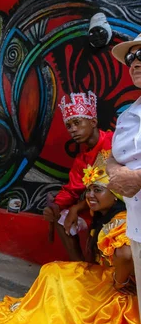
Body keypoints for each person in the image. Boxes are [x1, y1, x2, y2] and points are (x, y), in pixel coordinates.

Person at [0, 149, 140, 324]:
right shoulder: (108, 217)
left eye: (97, 189)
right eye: (88, 189)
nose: (89, 195)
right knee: (54, 272)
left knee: (55, 274)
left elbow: (125, 254)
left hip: (118, 289)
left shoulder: (121, 220)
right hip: (105, 278)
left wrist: (118, 282)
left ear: (115, 195)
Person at [43, 91, 113, 261]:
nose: (73, 129)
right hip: (96, 207)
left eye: (77, 123)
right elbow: (71, 191)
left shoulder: (113, 142)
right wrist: (55, 207)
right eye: (69, 126)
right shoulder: (81, 160)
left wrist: (77, 208)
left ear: (93, 122)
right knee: (62, 218)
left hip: (121, 206)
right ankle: (79, 267)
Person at [107, 33, 141, 318]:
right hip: (138, 226)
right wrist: (115, 172)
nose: (135, 62)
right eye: (131, 57)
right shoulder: (128, 115)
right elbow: (113, 156)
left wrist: (138, 177)